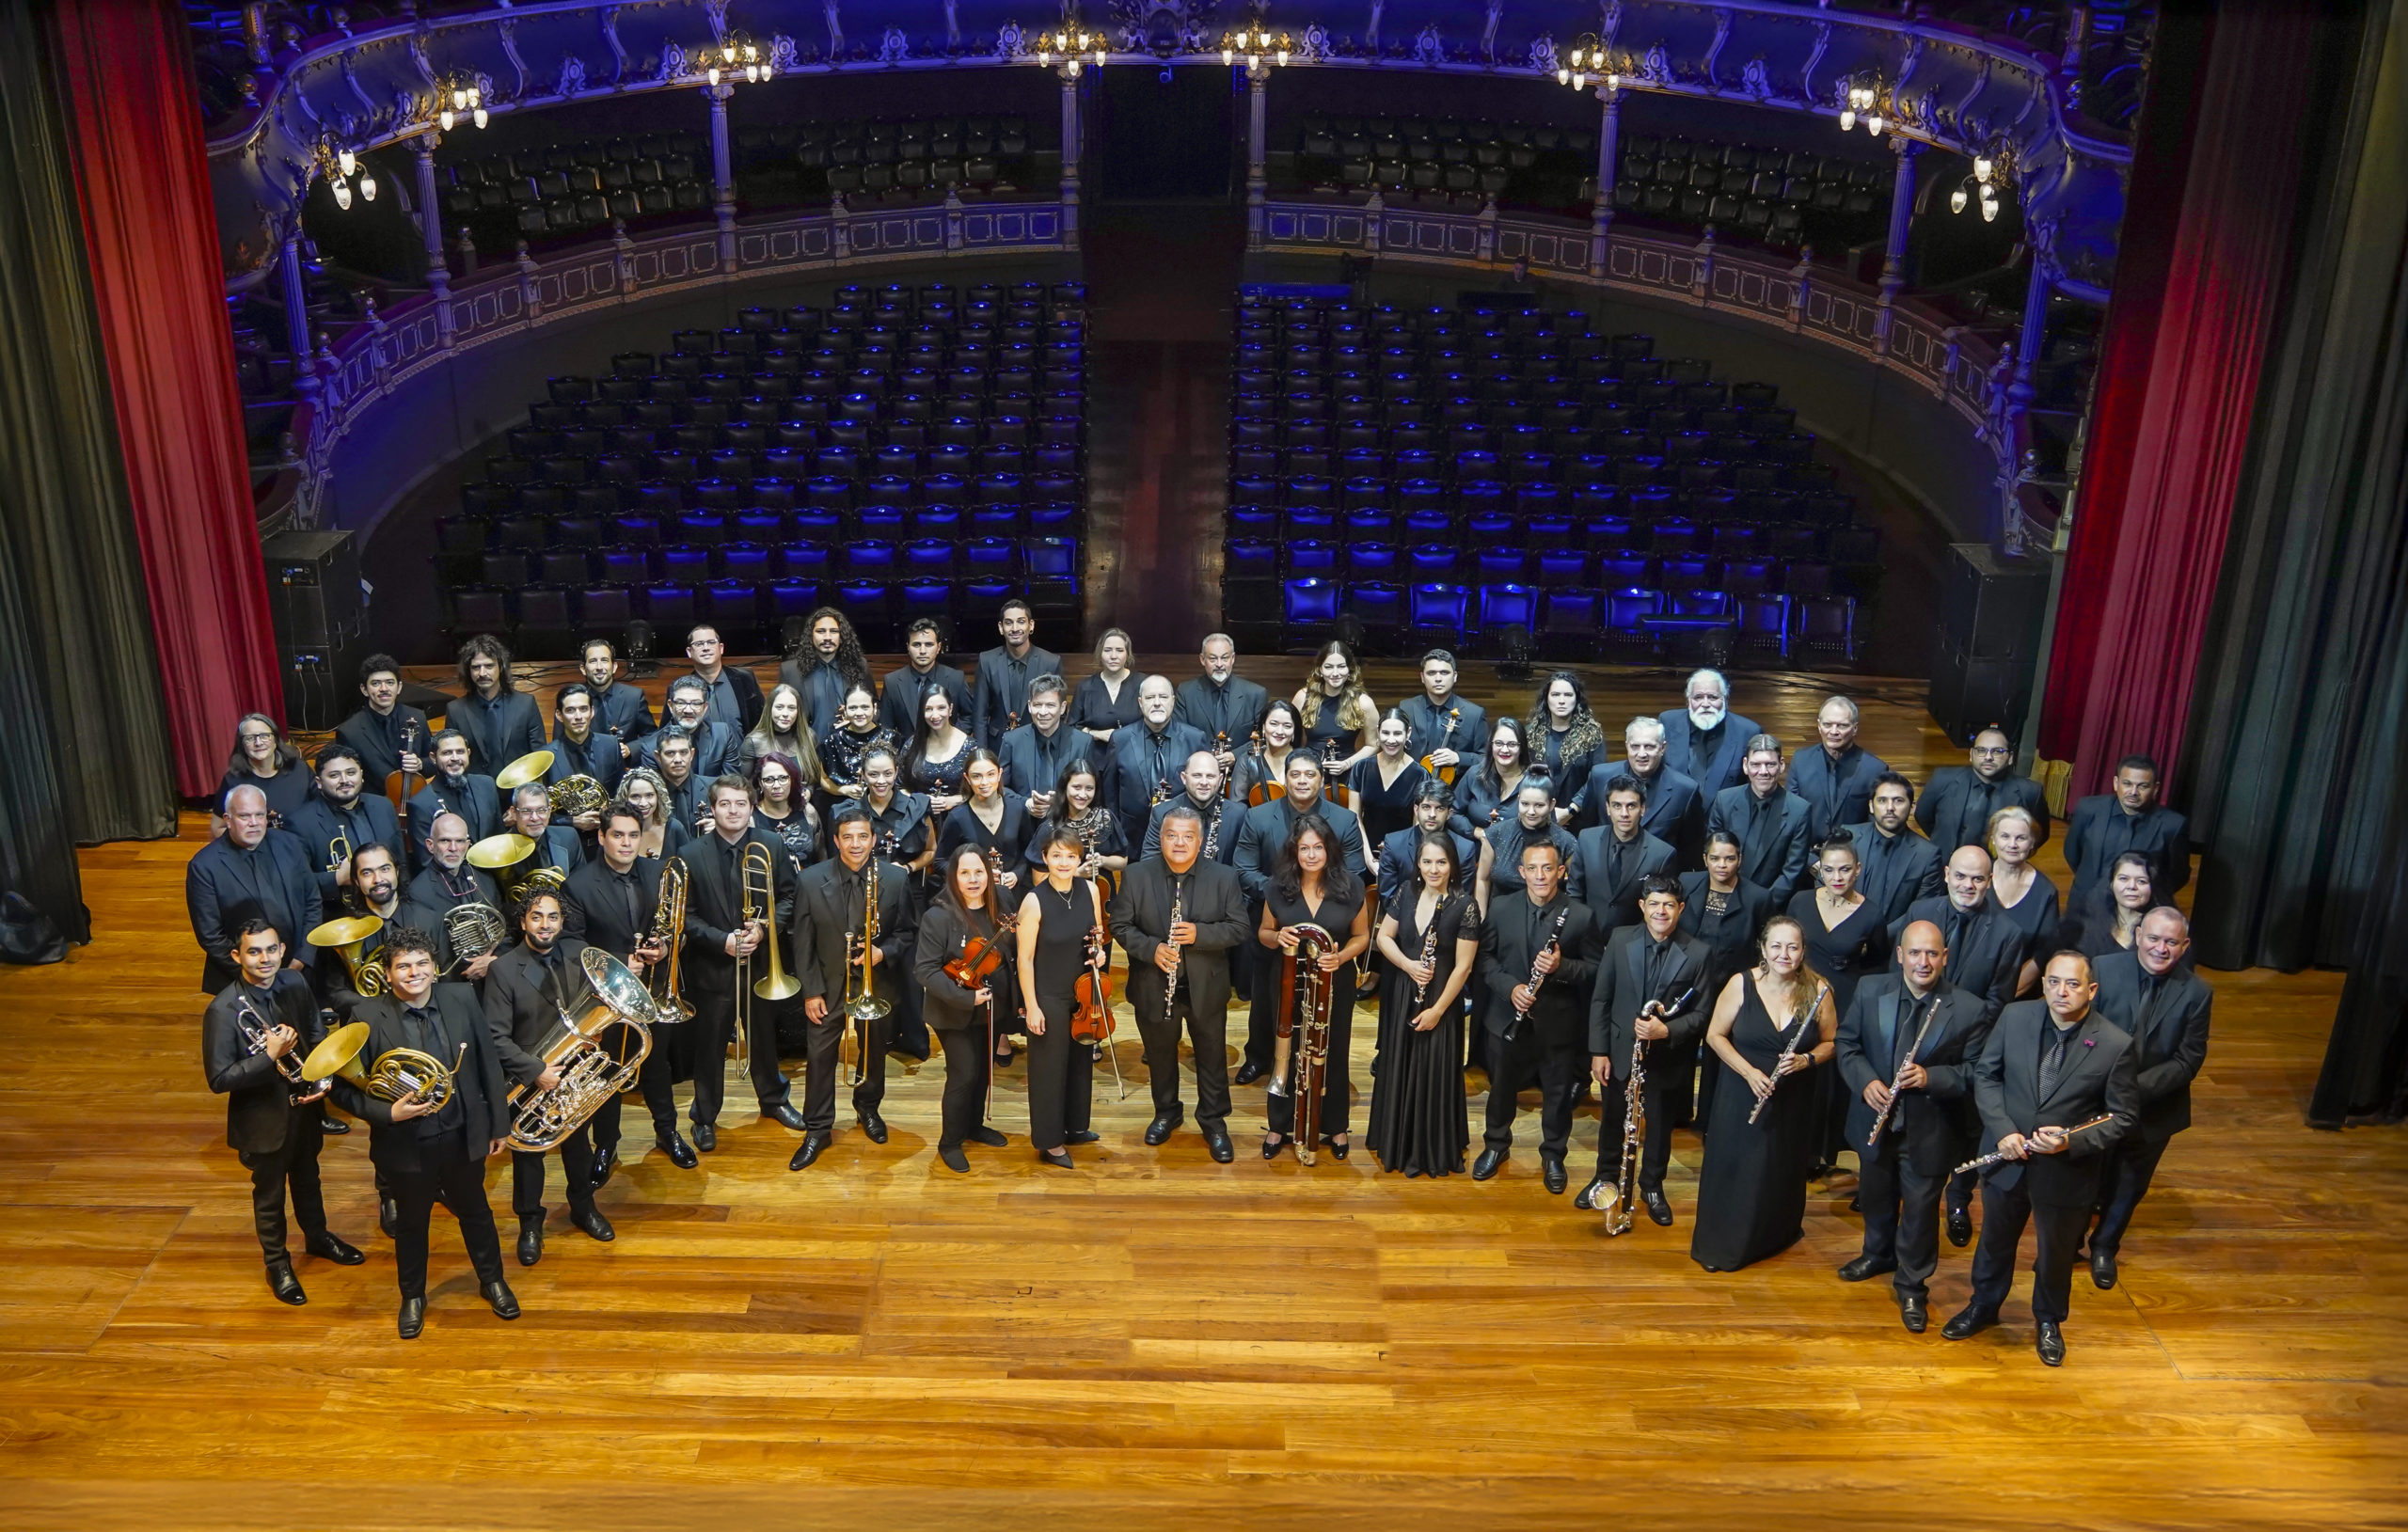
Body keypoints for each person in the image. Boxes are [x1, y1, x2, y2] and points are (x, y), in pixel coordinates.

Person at [1949, 951, 2140, 1366]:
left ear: (2091, 990)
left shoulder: (2114, 1043)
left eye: (2072, 984)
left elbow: (2122, 1116)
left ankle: (2049, 1321)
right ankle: (1983, 1305)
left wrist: (2070, 1141)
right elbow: (1987, 1075)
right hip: (2006, 1155)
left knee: (2055, 1252)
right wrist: (2003, 1131)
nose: (2061, 991)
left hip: (2065, 1169)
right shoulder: (2015, 1017)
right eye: (2053, 981)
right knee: (1994, 1241)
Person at [331, 924, 518, 1338]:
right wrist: (387, 1113)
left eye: (421, 964)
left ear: (435, 967)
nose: (413, 973)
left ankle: (493, 1281)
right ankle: (413, 1296)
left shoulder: (462, 997)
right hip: (404, 1142)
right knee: (412, 1224)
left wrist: (498, 1124)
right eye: (403, 966)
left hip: (461, 1135)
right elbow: (341, 1093)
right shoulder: (365, 1015)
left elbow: (488, 1062)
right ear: (387, 972)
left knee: (477, 1212)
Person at [1833, 920, 1994, 1333]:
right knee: (1874, 1197)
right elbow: (1847, 1044)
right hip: (1875, 1121)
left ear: (1945, 957)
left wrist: (1932, 1078)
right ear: (1901, 955)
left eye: (1932, 953)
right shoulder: (1871, 991)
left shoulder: (1970, 1008)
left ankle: (1912, 1284)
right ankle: (1878, 1253)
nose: (1924, 962)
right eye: (1915, 953)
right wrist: (1867, 1081)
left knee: (1920, 1214)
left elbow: (1978, 1072)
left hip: (1930, 1130)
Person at [201, 919, 363, 1305]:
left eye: (271, 950)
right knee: (270, 1195)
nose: (265, 959)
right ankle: (277, 1265)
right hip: (263, 1118)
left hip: (305, 1106)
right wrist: (269, 1056)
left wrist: (322, 1080)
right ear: (237, 955)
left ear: (282, 949)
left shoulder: (294, 983)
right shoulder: (222, 1011)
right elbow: (219, 1078)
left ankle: (318, 1237)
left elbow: (315, 1032)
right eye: (254, 951)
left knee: (309, 1178)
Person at [1689, 916, 1837, 1271]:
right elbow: (1714, 1036)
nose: (1784, 954)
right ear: (1763, 949)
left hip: (1792, 1096)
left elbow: (1834, 1042)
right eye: (1776, 946)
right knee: (1736, 1166)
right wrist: (1750, 1073)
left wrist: (1806, 1060)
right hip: (1742, 1091)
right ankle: (1722, 1244)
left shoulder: (1819, 991)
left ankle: (1773, 1235)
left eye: (1792, 947)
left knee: (1778, 1167)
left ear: (1802, 951)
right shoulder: (1741, 984)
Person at [481, 890, 615, 1266]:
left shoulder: (576, 959)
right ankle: (529, 1224)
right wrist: (536, 1071)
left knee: (578, 1147)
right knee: (528, 1156)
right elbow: (495, 1037)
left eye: (553, 917)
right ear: (523, 922)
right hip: (528, 1079)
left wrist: (593, 1033)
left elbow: (588, 1010)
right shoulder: (503, 969)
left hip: (572, 1072)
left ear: (561, 922)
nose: (545, 924)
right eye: (537, 917)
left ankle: (583, 1207)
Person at [1112, 802, 1250, 1161]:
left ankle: (1214, 1121)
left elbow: (1239, 928)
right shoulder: (1137, 875)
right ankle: (1167, 1112)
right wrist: (1152, 948)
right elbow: (1120, 927)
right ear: (1161, 837)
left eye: (1188, 836)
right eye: (1171, 835)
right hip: (1154, 984)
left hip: (1206, 986)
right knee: (1159, 1056)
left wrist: (1199, 934)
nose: (1179, 843)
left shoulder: (1223, 877)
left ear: (1200, 841)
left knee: (1212, 1056)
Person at [559, 805, 692, 1174]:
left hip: (652, 991)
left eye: (633, 835)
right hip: (606, 997)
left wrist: (665, 947)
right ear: (601, 837)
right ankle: (606, 1145)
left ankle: (667, 1132)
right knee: (608, 1071)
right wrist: (619, 960)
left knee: (657, 1066)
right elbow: (571, 945)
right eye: (618, 835)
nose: (626, 843)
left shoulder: (658, 872)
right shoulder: (578, 884)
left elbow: (674, 924)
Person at [677, 776, 807, 1150]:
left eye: (740, 804)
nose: (733, 811)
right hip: (713, 967)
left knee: (765, 1039)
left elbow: (788, 897)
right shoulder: (689, 853)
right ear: (712, 808)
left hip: (762, 963)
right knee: (710, 1046)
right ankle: (704, 1116)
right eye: (725, 804)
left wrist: (764, 930)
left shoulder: (771, 844)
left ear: (752, 808)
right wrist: (724, 941)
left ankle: (774, 1100)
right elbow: (686, 915)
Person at [2086, 908, 2212, 1290]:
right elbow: (2085, 1030)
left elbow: (2188, 1059)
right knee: (2086, 1174)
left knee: (2130, 1183)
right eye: (2154, 938)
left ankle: (2105, 1246)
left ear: (2184, 946)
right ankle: (2068, 1240)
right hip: (2095, 1099)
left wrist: (2131, 1089)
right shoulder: (2104, 969)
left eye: (2171, 942)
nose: (2161, 948)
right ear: (2138, 934)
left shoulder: (2198, 992)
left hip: (2155, 1107)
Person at [789, 805, 919, 1168]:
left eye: (863, 836)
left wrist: (883, 951)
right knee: (819, 1056)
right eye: (848, 837)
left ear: (874, 839)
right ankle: (817, 1128)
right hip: (827, 983)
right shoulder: (811, 880)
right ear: (836, 840)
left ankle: (868, 1108)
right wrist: (811, 991)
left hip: (875, 983)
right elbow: (802, 942)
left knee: (873, 1050)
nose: (856, 844)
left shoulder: (894, 878)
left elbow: (908, 932)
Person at [1579, 875, 1712, 1222]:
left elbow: (1702, 1015)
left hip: (1666, 1059)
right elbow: (1601, 999)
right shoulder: (1620, 939)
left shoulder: (1699, 953)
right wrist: (1598, 1051)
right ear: (1642, 906)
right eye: (1654, 904)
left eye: (1669, 905)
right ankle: (1605, 1177)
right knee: (1612, 1119)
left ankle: (1652, 1184)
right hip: (1620, 1053)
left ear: (1681, 908)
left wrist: (1665, 1029)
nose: (1661, 911)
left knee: (1659, 1125)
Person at [1472, 840, 1601, 1190]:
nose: (1540, 876)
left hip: (1557, 1023)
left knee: (1557, 1094)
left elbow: (1594, 969)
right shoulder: (1500, 908)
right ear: (1521, 872)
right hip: (1506, 1017)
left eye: (1548, 868)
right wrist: (1511, 988)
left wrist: (1562, 967)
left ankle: (1554, 1156)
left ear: (1561, 871)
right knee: (1501, 1089)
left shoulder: (1581, 915)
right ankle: (1496, 1145)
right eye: (1533, 868)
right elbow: (1485, 959)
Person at [1233, 754, 1370, 1083]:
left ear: (1321, 779)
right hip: (1277, 920)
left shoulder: (1344, 819)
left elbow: (1353, 871)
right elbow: (1243, 867)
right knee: (1267, 999)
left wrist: (1319, 894)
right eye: (1295, 774)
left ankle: (1322, 1069)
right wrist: (1283, 894)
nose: (1302, 780)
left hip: (1331, 921)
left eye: (1310, 774)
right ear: (1286, 777)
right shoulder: (1258, 816)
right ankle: (1260, 1058)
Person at [1258, 814, 1373, 1161]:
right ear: (1294, 851)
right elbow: (1264, 933)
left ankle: (1335, 1125)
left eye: (1318, 848)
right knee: (1286, 1052)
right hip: (1289, 981)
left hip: (1334, 984)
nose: (1311, 855)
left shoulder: (1351, 885)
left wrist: (1341, 959)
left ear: (1329, 850)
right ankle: (1279, 1124)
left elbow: (1362, 936)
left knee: (1333, 1053)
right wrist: (1277, 937)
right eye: (1304, 848)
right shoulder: (1278, 886)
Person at [1366, 831, 1481, 1177]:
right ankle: (1395, 1140)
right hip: (1404, 990)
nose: (1434, 868)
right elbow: (1384, 937)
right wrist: (1408, 965)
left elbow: (1464, 967)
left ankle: (1429, 1148)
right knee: (1398, 1061)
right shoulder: (1406, 891)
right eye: (1428, 861)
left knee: (1433, 1070)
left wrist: (1438, 1011)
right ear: (1418, 863)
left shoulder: (1465, 904)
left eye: (1442, 862)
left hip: (1439, 1001)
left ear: (1452, 865)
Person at [914, 845, 1015, 1173]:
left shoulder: (1002, 902)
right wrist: (967, 999)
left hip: (992, 1006)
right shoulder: (938, 916)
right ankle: (950, 1141)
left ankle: (973, 1126)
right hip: (952, 1009)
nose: (973, 880)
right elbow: (925, 971)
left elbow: (1012, 952)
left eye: (979, 872)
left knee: (984, 1069)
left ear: (989, 873)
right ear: (953, 877)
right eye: (965, 873)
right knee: (964, 1073)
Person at [1016, 821, 1104, 1166]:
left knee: (1081, 1063)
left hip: (1083, 993)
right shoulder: (1034, 901)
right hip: (1048, 996)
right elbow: (1024, 959)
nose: (1065, 863)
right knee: (1049, 1070)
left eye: (1071, 856)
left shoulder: (1091, 891)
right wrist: (1032, 1006)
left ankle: (1075, 1127)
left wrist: (1100, 955)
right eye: (1057, 856)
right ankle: (1050, 1142)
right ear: (1045, 858)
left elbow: (1098, 939)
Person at [1678, 830, 1779, 1133]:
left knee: (1716, 1056)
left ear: (1740, 860)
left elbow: (1763, 942)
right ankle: (1676, 1113)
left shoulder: (1758, 897)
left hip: (1730, 988)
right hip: (1687, 984)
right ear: (1705, 859)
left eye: (1730, 858)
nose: (1722, 865)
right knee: (1680, 1049)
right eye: (1716, 858)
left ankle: (1709, 1120)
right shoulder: (1687, 884)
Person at [187, 783, 322, 995]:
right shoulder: (204, 866)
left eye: (260, 815)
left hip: (298, 970)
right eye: (244, 816)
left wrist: (303, 957)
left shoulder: (292, 844)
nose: (254, 823)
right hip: (242, 979)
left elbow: (312, 901)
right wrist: (258, 973)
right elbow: (210, 935)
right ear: (228, 820)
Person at [2063, 754, 2191, 906]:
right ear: (2116, 783)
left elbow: (2178, 874)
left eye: (2142, 786)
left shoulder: (2173, 825)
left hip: (2139, 909)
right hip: (2086, 902)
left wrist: (2143, 897)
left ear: (2155, 788)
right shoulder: (2088, 809)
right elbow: (2072, 853)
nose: (2133, 792)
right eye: (2127, 784)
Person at [288, 744, 405, 908]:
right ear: (319, 782)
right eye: (334, 775)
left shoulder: (383, 806)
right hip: (341, 914)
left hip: (391, 904)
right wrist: (337, 878)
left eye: (351, 773)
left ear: (361, 775)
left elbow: (401, 861)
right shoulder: (299, 823)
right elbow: (295, 882)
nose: (345, 780)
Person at [1704, 734, 1812, 903]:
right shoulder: (1724, 800)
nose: (1763, 772)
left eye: (1770, 764)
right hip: (1724, 898)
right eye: (1756, 764)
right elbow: (1714, 855)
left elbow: (1793, 871)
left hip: (1770, 904)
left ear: (1781, 765)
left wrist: (1760, 905)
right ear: (1745, 766)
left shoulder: (1799, 810)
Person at [1104, 675, 1207, 848]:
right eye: (1150, 697)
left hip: (1183, 840)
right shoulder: (1120, 739)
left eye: (1163, 697)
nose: (1157, 703)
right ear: (1140, 702)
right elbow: (1110, 793)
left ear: (1173, 701)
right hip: (1132, 839)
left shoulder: (1195, 739)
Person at [399, 812, 503, 981]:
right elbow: (427, 952)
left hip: (495, 974)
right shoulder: (418, 892)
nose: (453, 848)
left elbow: (504, 932)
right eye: (445, 840)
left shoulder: (485, 880)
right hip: (454, 981)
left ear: (468, 844)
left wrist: (494, 961)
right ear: (430, 845)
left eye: (460, 841)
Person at [1590, 715, 1704, 862]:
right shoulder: (1600, 777)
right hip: (1608, 868)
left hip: (1659, 877)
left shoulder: (1685, 789)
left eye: (1649, 746)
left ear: (1663, 748)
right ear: (1627, 746)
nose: (1642, 754)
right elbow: (1589, 827)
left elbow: (1691, 847)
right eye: (1635, 746)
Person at [1571, 773, 1675, 934]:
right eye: (1617, 806)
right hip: (1587, 940)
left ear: (1642, 809)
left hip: (1632, 945)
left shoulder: (1662, 854)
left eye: (1631, 806)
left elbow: (1657, 910)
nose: (1624, 813)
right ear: (1608, 808)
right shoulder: (1587, 839)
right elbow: (1575, 893)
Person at [1918, 727, 2051, 852]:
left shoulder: (2030, 792)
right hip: (1945, 866)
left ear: (2010, 758)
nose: (1988, 757)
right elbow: (1923, 816)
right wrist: (1943, 843)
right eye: (1981, 750)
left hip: (1999, 869)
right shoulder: (1942, 779)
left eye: (1997, 751)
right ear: (1971, 754)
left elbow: (2038, 834)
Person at [1844, 772, 1945, 928]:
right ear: (1871, 805)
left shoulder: (1928, 855)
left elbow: (1922, 910)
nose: (1890, 808)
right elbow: (1826, 887)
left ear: (1912, 807)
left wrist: (1877, 939)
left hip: (1893, 943)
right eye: (1882, 801)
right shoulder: (1849, 838)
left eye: (1898, 801)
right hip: (1843, 934)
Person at [1786, 696, 1889, 842]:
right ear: (1819, 725)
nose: (1833, 731)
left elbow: (1876, 825)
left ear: (1855, 729)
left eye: (1842, 726)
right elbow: (1791, 817)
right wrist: (1811, 860)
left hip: (1853, 856)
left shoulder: (1875, 769)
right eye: (1827, 724)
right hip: (1808, 855)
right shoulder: (1801, 760)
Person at [936, 750, 1034, 903]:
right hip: (973, 898)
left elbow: (1029, 851)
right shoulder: (958, 817)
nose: (984, 782)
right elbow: (940, 861)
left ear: (1000, 774)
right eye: (977, 776)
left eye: (990, 774)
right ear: (967, 778)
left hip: (1013, 894)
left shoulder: (1018, 808)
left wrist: (1017, 874)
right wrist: (971, 877)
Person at [403, 729, 502, 874]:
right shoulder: (420, 804)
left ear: (468, 753)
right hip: (455, 886)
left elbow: (499, 835)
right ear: (433, 757)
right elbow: (427, 862)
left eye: (460, 751)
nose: (455, 758)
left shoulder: (487, 785)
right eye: (447, 753)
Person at [447, 635, 547, 778]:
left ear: (501, 667)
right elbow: (452, 757)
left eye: (489, 666)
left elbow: (539, 755)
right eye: (476, 667)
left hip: (518, 789)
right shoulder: (455, 710)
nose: (482, 673)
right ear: (469, 672)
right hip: (476, 792)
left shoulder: (526, 704)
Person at [1173, 632, 1271, 773]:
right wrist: (1206, 758)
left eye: (1224, 658)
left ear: (1233, 658)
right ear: (1202, 659)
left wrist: (1235, 755)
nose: (1219, 664)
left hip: (1242, 772)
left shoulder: (1255, 694)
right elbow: (1180, 735)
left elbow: (1263, 737)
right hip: (1199, 772)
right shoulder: (1186, 692)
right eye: (1213, 659)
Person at [1477, 777, 1579, 910]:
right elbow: (1482, 880)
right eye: (1525, 804)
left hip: (1547, 917)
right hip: (1501, 917)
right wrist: (1481, 920)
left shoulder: (1566, 841)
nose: (1531, 812)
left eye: (1539, 805)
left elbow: (1577, 887)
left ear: (1552, 804)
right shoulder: (1496, 833)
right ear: (1518, 799)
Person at [1656, 668, 1762, 798]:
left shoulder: (1748, 732)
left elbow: (1757, 786)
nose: (1705, 704)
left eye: (1712, 697)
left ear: (1725, 699)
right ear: (1689, 701)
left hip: (1725, 816)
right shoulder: (1668, 723)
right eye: (1698, 697)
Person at [1392, 648, 1489, 789]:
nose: (1438, 678)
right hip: (1411, 789)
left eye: (1444, 673)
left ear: (1455, 676)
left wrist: (1459, 758)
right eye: (1431, 673)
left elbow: (1487, 758)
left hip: (1455, 792)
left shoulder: (1474, 713)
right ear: (1422, 677)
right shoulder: (1406, 707)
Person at [974, 598, 1063, 750]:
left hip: (1038, 745)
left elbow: (1058, 714)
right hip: (997, 746)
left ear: (1031, 625)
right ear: (1001, 628)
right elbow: (979, 715)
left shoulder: (1050, 662)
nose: (1015, 628)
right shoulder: (986, 660)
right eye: (1009, 623)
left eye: (1021, 621)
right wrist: (981, 755)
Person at [996, 674, 1090, 816]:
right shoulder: (1012, 740)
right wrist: (1025, 803)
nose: (1043, 712)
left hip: (1067, 825)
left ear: (1063, 707)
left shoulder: (1083, 742)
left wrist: (1061, 801)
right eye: (1037, 705)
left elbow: (1090, 790)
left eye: (1050, 705)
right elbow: (1000, 786)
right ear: (1029, 706)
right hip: (1023, 825)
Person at [1375, 781, 1476, 912]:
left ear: (1449, 813)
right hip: (1400, 923)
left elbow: (1461, 900)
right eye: (1426, 807)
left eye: (1439, 808)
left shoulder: (1464, 849)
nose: (1432, 814)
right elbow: (1387, 896)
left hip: (1445, 923)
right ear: (1416, 810)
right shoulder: (1394, 843)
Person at [335, 653, 431, 790]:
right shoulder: (349, 732)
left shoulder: (418, 717)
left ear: (399, 687)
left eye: (390, 683)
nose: (384, 689)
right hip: (375, 804)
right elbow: (348, 778)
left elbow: (433, 762)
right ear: (364, 690)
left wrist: (420, 764)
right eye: (375, 683)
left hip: (414, 797)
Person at [1985, 805, 2061, 979]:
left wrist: (2005, 994)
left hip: (2018, 988)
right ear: (1994, 839)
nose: (2012, 844)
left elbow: (2042, 955)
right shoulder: (1975, 878)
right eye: (2005, 836)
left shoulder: (2045, 892)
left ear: (2032, 842)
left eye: (2021, 838)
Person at [778, 605, 873, 740]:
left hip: (852, 746)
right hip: (807, 750)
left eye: (834, 631)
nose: (827, 637)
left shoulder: (859, 666)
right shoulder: (790, 671)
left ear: (842, 636)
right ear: (810, 636)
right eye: (821, 631)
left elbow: (875, 708)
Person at [1347, 709, 1432, 855]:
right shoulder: (1361, 768)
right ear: (1378, 732)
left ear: (1408, 733)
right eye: (1386, 733)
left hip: (1403, 853)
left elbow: (1418, 827)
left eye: (1397, 733)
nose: (1391, 740)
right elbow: (1354, 817)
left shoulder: (1420, 774)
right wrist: (1368, 858)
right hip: (1363, 849)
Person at [1293, 640, 1379, 780]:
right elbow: (1293, 739)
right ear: (1320, 669)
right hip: (1308, 772)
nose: (1335, 673)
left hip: (1346, 773)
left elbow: (1373, 745)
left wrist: (1346, 764)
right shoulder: (1302, 697)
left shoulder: (1364, 703)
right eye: (1328, 667)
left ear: (1349, 669)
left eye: (1341, 666)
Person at [1528, 671, 1606, 822]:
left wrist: (1571, 809)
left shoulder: (1593, 735)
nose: (1561, 701)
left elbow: (1597, 778)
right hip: (1537, 816)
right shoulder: (1531, 733)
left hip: (1579, 816)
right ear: (1546, 698)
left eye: (1568, 695)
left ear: (1577, 699)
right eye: (1555, 695)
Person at [879, 618, 973, 742]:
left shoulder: (956, 678)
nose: (922, 651)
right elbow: (886, 727)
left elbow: (970, 716)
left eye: (929, 644)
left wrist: (950, 739)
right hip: (907, 755)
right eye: (916, 645)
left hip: (947, 751)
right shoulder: (892, 681)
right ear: (908, 647)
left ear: (938, 647)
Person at [1141, 750, 1243, 864]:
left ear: (1220, 780)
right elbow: (1149, 863)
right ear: (1184, 778)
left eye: (1210, 776)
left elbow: (1243, 866)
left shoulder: (1238, 814)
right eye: (1197, 775)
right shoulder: (1162, 812)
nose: (1204, 782)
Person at [215, 713, 315, 828]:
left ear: (275, 740)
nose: (258, 743)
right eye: (250, 738)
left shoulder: (300, 769)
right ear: (242, 745)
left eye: (264, 736)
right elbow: (218, 828)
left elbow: (320, 810)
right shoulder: (232, 780)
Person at [2059, 851, 2159, 961]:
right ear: (2111, 883)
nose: (2131, 886)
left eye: (2141, 881)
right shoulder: (2087, 923)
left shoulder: (2162, 928)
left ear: (2152, 886)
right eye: (2123, 879)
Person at [901, 680, 977, 819]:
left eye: (941, 708)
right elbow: (899, 788)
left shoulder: (970, 747)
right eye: (928, 709)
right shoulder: (912, 745)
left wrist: (954, 800)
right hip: (919, 820)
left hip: (962, 819)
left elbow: (981, 789)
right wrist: (921, 801)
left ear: (951, 709)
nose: (935, 715)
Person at [638, 677, 740, 780]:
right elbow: (657, 791)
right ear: (670, 705)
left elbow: (731, 783)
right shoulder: (651, 747)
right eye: (681, 703)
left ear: (705, 707)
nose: (688, 710)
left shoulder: (722, 735)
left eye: (696, 703)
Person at [1452, 716, 1532, 843]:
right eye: (1499, 743)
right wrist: (1477, 832)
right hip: (1476, 852)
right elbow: (1453, 813)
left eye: (1512, 744)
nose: (1504, 750)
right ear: (1491, 745)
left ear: (1522, 747)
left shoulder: (1534, 781)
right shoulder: (1474, 774)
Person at [547, 682, 626, 809]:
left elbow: (621, 794)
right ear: (559, 715)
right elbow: (544, 810)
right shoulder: (546, 756)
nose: (578, 717)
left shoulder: (611, 746)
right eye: (570, 710)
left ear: (592, 712)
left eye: (583, 709)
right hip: (569, 828)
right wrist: (573, 822)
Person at [738, 682, 829, 792]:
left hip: (801, 803)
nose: (785, 713)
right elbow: (743, 784)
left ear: (798, 711)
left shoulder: (810, 737)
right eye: (779, 707)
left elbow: (816, 779)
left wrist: (809, 792)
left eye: (791, 708)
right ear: (769, 709)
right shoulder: (753, 741)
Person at [819, 685, 900, 801]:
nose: (859, 713)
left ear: (875, 708)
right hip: (844, 806)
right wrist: (843, 790)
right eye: (853, 708)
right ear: (845, 710)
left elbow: (902, 780)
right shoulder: (832, 740)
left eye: (865, 707)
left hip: (886, 806)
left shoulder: (892, 738)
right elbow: (823, 779)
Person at [573, 638, 657, 750]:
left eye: (604, 660)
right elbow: (560, 744)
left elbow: (651, 736)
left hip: (624, 765)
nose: (599, 667)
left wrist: (630, 749)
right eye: (593, 661)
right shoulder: (570, 699)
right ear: (583, 669)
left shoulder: (633, 697)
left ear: (614, 667)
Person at [681, 623, 764, 734]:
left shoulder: (745, 679)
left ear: (721, 648)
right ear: (689, 652)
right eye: (699, 644)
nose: (706, 648)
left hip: (743, 750)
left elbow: (762, 721)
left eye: (711, 642)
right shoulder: (680, 688)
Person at [750, 751, 821, 872]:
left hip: (807, 884)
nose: (777, 785)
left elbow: (821, 855)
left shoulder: (808, 812)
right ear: (760, 783)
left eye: (783, 778)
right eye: (769, 780)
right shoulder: (750, 818)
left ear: (792, 780)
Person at [1070, 627, 1143, 742]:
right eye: (1107, 650)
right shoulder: (1085, 687)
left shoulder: (1143, 684)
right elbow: (1071, 728)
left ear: (1128, 654)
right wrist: (1095, 734)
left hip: (1135, 755)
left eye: (1119, 650)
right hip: (1095, 756)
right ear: (1100, 654)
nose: (1113, 656)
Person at [503, 782, 583, 884]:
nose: (535, 818)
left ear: (549, 812)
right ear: (514, 813)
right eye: (526, 811)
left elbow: (581, 885)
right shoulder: (502, 850)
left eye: (541, 810)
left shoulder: (569, 836)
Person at [1230, 699, 1303, 808]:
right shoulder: (1247, 761)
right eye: (1274, 724)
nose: (1279, 731)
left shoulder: (1306, 760)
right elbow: (1237, 808)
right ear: (1263, 727)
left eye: (1287, 726)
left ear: (1294, 731)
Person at [611, 767, 689, 861]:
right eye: (635, 796)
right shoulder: (614, 831)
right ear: (624, 799)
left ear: (658, 797)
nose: (643, 803)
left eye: (649, 795)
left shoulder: (675, 828)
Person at [645, 727, 708, 832]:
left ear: (692, 754)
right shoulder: (647, 795)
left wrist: (720, 830)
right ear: (658, 757)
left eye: (683, 752)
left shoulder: (714, 789)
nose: (678, 760)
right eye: (670, 753)